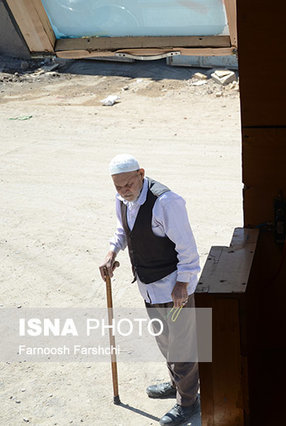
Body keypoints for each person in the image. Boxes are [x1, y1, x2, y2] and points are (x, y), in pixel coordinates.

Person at [99, 154, 201, 426]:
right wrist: (111, 253)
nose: (123, 191)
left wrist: (183, 283)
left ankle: (188, 402)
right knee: (166, 342)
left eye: (128, 184)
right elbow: (124, 231)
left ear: (141, 173)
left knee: (183, 348)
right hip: (148, 286)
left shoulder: (166, 202)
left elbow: (188, 249)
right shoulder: (124, 200)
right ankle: (178, 385)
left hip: (173, 289)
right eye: (118, 187)